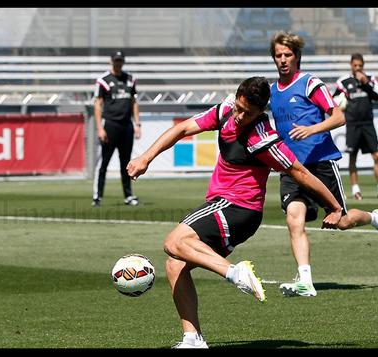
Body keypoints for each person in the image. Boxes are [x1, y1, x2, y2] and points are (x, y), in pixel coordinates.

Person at [127, 76, 344, 349]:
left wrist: (334, 206)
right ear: (236, 97)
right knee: (176, 264)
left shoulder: (263, 138)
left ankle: (236, 273)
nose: (241, 116)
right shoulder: (226, 110)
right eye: (240, 108)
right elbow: (183, 129)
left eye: (249, 113)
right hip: (224, 205)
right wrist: (145, 157)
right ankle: (193, 339)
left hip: (239, 208)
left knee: (173, 242)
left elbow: (298, 171)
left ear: (261, 111)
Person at [268, 32, 378, 298]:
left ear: (296, 56)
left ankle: (376, 218)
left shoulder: (310, 83)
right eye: (278, 55)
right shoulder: (272, 91)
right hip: (292, 168)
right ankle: (305, 281)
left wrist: (311, 129)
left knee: (343, 222)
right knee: (294, 220)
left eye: (287, 55)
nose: (282, 60)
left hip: (321, 164)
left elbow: (338, 117)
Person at [333, 53, 378, 200]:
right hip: (352, 124)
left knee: (376, 155)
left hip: (367, 123)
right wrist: (340, 102)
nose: (358, 68)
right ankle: (355, 190)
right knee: (353, 156)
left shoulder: (370, 78)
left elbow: (377, 96)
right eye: (355, 65)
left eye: (360, 65)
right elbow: (335, 100)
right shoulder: (343, 81)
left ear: (363, 65)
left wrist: (365, 83)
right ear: (351, 65)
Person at [92, 50, 141, 207]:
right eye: (115, 60)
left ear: (123, 61)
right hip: (110, 125)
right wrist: (100, 128)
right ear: (111, 61)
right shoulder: (103, 80)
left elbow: (134, 102)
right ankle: (97, 196)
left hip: (126, 126)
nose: (118, 63)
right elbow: (98, 104)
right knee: (103, 163)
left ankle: (128, 195)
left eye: (120, 60)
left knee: (126, 163)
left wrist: (137, 124)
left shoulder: (130, 79)